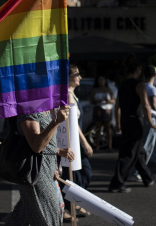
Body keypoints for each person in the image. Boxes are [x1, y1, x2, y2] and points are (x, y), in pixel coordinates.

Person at [3, 105, 70, 226]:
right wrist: (56, 121)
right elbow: (36, 146)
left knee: (23, 218)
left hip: (47, 170)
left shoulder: (43, 108)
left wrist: (54, 162)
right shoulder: (28, 111)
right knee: (49, 218)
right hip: (36, 173)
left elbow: (47, 142)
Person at [108, 54, 156, 193]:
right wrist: (151, 123)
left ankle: (148, 178)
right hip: (135, 121)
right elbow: (145, 105)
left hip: (126, 121)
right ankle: (117, 184)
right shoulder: (139, 85)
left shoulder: (123, 85)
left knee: (138, 152)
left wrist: (118, 122)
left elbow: (117, 106)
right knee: (128, 153)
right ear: (138, 69)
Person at [60, 64, 93, 218]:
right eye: (76, 74)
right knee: (74, 175)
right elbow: (72, 123)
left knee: (84, 173)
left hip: (76, 142)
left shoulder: (72, 94)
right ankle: (72, 206)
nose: (80, 77)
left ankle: (76, 203)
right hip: (72, 142)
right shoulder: (66, 95)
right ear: (68, 78)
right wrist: (85, 142)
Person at [90, 76, 115, 151]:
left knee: (108, 128)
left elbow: (113, 100)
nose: (101, 82)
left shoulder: (108, 90)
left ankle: (109, 146)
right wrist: (96, 101)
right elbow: (91, 100)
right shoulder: (95, 90)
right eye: (99, 80)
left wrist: (108, 100)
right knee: (98, 128)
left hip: (107, 110)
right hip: (98, 109)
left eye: (102, 80)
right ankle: (97, 146)